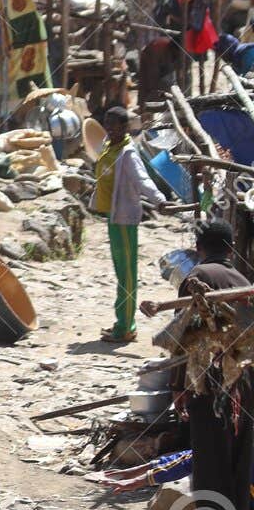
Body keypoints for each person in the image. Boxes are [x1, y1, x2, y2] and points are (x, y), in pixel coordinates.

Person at [91, 106, 164, 343]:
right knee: (121, 272)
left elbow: (143, 180)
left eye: (115, 125)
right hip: (113, 218)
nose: (110, 129)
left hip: (124, 219)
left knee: (127, 275)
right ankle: (122, 323)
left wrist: (159, 200)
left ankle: (125, 327)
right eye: (107, 124)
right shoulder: (108, 145)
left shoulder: (128, 154)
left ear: (125, 128)